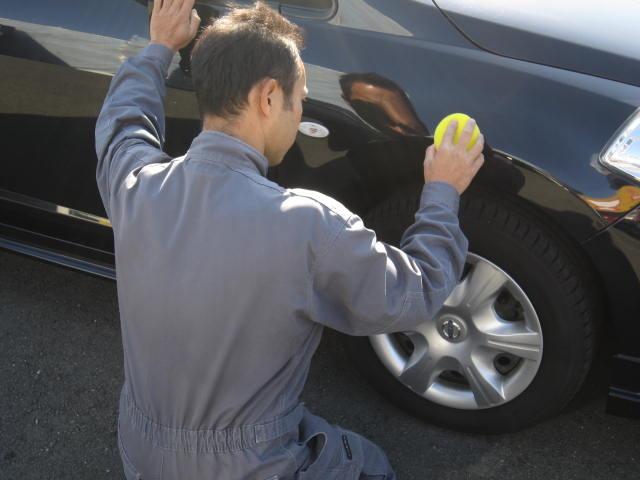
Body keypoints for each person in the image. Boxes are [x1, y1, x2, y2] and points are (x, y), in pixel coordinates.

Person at [94, 1, 485, 479]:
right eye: (298, 99)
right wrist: (443, 191)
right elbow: (416, 291)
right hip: (248, 467)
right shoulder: (310, 226)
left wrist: (159, 47)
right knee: (370, 464)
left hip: (140, 447)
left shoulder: (136, 185)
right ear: (268, 97)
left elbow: (122, 123)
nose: (299, 115)